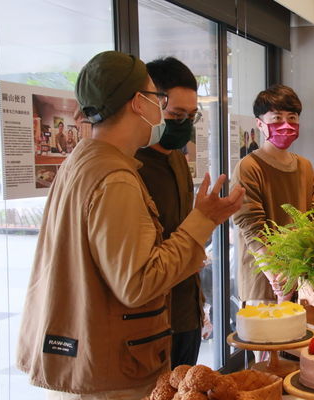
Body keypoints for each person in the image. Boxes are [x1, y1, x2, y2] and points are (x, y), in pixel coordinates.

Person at [16, 50, 245, 399]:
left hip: (93, 357)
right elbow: (138, 282)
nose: (162, 108)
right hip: (112, 374)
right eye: (158, 98)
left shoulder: (83, 160)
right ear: (139, 103)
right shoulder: (115, 178)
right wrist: (204, 220)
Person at [135, 56, 206, 369]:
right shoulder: (130, 167)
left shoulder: (178, 160)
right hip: (150, 319)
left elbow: (183, 232)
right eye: (176, 115)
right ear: (151, 104)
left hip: (186, 311)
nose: (185, 125)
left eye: (191, 116)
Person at [232, 84, 314, 303]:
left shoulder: (305, 166)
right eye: (276, 119)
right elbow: (250, 226)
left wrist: (298, 269)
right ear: (260, 124)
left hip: (301, 275)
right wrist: (277, 277)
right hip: (264, 278)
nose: (286, 125)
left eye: (292, 118)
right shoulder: (249, 166)